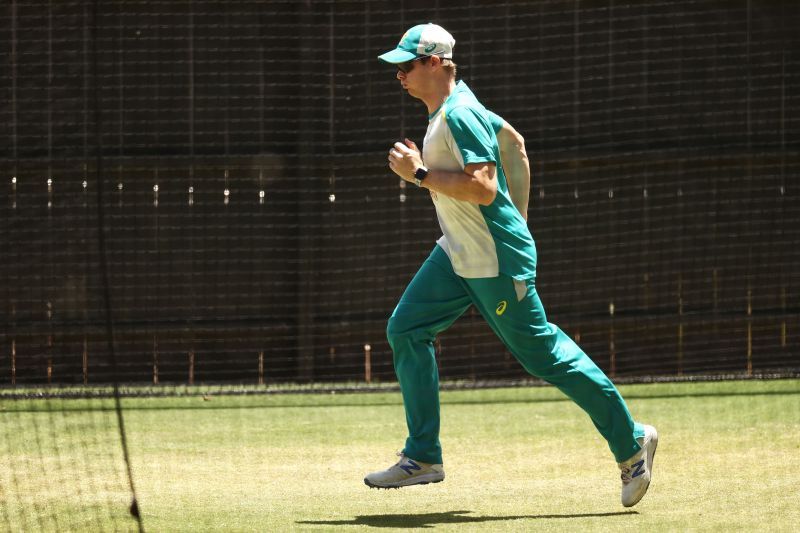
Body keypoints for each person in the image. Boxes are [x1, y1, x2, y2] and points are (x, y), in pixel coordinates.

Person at [365, 23, 658, 508]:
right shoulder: (457, 107)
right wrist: (518, 221)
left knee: (543, 356)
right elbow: (515, 143)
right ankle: (423, 456)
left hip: (492, 260)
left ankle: (631, 444)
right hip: (459, 253)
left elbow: (482, 186)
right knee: (406, 329)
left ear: (435, 63)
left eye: (407, 64)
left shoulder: (459, 114)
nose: (399, 74)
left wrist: (418, 174)